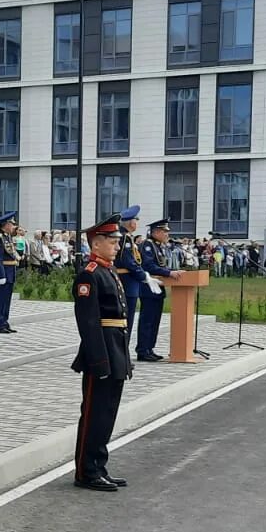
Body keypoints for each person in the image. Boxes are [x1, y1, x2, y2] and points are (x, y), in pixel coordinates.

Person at [71, 214, 132, 493]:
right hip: (102, 353)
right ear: (97, 244)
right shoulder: (90, 274)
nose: (117, 246)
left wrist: (124, 358)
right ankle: (86, 470)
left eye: (117, 241)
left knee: (107, 414)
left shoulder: (108, 271)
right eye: (112, 241)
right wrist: (99, 360)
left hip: (115, 348)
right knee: (94, 414)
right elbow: (89, 322)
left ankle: (99, 465)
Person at [136, 218, 184, 362]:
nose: (167, 235)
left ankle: (150, 348)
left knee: (155, 320)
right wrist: (169, 273)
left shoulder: (158, 246)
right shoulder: (147, 245)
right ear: (156, 232)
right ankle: (143, 350)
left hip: (158, 288)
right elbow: (149, 266)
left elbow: (161, 266)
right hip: (149, 287)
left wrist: (172, 271)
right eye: (164, 232)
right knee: (148, 320)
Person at [114, 205, 146, 334]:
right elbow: (128, 262)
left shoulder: (125, 236)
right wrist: (143, 276)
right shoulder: (125, 237)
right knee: (127, 319)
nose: (137, 223)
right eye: (136, 220)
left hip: (127, 280)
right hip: (127, 281)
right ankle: (123, 350)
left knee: (127, 318)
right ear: (131, 222)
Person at [0, 212, 20, 333]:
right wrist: (1, 274)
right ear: (6, 225)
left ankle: (4, 321)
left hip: (10, 271)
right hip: (3, 271)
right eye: (11, 224)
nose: (13, 226)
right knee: (0, 299)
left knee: (7, 299)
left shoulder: (8, 237)